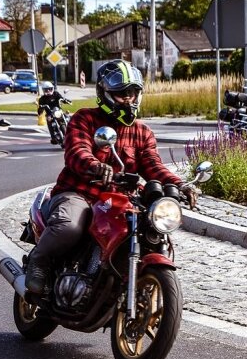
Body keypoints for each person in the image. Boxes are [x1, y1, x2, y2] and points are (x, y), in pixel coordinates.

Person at [24, 59, 198, 294]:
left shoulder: (142, 132)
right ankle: (39, 262)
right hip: (81, 193)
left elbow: (153, 165)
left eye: (133, 93)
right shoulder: (85, 118)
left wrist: (179, 184)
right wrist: (95, 166)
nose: (128, 99)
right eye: (121, 93)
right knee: (69, 226)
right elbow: (76, 152)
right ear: (104, 94)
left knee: (151, 232)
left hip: (121, 201)